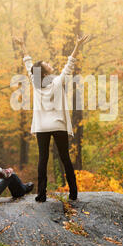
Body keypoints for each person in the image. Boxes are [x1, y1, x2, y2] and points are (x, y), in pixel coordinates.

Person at [13, 34, 90, 202]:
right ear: (45, 71)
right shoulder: (57, 81)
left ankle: (41, 195)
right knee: (65, 158)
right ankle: (74, 193)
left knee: (43, 158)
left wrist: (23, 45)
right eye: (46, 64)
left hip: (42, 126)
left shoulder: (35, 82)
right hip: (58, 125)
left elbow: (28, 63)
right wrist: (77, 46)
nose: (49, 64)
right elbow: (70, 63)